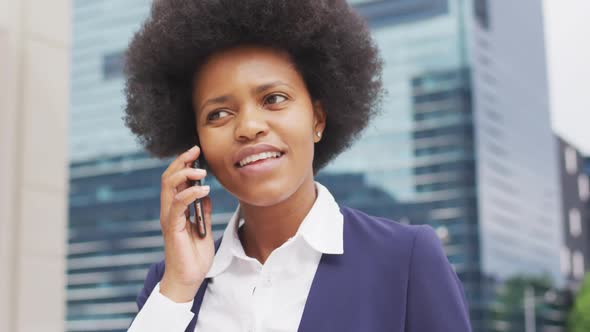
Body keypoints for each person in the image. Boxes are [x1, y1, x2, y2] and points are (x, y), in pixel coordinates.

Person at [124, 0, 472, 331]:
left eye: (273, 99)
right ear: (195, 142)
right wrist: (179, 288)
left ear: (318, 117)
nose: (248, 127)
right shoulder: (171, 282)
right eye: (218, 114)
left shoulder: (406, 259)